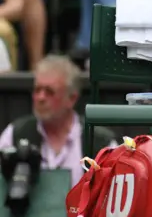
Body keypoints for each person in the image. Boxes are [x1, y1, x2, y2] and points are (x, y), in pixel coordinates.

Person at [0, 55, 117, 189]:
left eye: (49, 92)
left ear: (71, 99)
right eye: (37, 90)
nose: (40, 98)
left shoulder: (101, 142)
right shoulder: (15, 133)